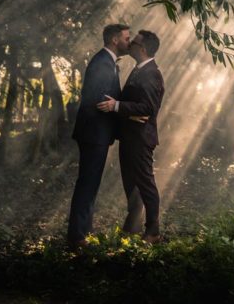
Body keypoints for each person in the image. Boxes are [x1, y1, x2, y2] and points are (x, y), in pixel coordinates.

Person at [97, 30, 165, 243]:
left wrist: (116, 106)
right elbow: (137, 105)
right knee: (131, 183)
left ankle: (153, 231)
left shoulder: (152, 73)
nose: (130, 45)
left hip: (141, 138)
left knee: (145, 182)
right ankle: (132, 226)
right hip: (130, 136)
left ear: (142, 49)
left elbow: (147, 107)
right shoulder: (139, 70)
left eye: (133, 42)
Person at [66, 24, 130, 249]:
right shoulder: (102, 62)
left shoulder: (108, 62)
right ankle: (77, 236)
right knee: (87, 182)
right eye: (126, 38)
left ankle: (84, 230)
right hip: (94, 132)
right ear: (114, 39)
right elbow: (96, 96)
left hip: (96, 132)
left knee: (91, 183)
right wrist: (114, 106)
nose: (128, 42)